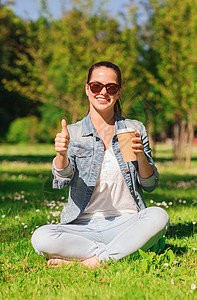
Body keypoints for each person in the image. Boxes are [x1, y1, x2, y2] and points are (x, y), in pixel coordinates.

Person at [31, 61, 169, 268]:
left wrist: (141, 156)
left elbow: (149, 185)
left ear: (118, 92)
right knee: (41, 237)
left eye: (111, 87)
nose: (103, 92)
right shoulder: (73, 132)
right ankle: (124, 250)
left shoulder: (134, 128)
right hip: (82, 226)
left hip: (127, 221)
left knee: (159, 216)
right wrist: (61, 154)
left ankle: (90, 260)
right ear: (87, 89)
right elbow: (62, 180)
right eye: (96, 86)